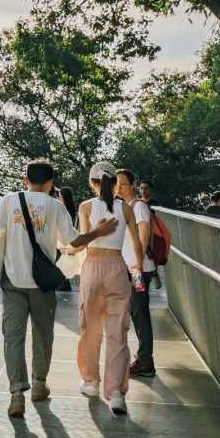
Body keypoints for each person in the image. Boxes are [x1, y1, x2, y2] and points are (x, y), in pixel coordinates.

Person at [0, 159, 118, 418]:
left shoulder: (8, 200)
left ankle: (16, 394)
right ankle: (39, 385)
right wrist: (97, 232)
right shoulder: (55, 205)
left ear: (26, 180)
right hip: (42, 282)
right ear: (51, 183)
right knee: (43, 334)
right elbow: (74, 241)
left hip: (12, 281)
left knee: (13, 337)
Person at [77, 162, 145, 416]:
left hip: (93, 267)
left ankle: (91, 382)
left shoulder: (85, 207)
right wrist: (137, 272)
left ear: (92, 182)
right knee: (118, 331)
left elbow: (84, 240)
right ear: (116, 184)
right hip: (117, 267)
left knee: (91, 328)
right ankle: (116, 393)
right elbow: (137, 246)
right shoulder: (126, 209)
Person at [118, 168, 156, 378]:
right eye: (117, 183)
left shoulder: (138, 207)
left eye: (123, 183)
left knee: (140, 312)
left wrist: (138, 266)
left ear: (133, 184)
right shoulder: (124, 207)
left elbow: (143, 238)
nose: (119, 187)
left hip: (137, 269)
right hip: (131, 267)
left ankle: (145, 361)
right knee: (136, 311)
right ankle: (144, 359)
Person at [138, 178, 164, 290]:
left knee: (150, 256)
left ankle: (153, 276)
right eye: (141, 188)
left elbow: (160, 220)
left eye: (146, 188)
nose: (143, 190)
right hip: (138, 235)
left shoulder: (155, 204)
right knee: (137, 259)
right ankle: (140, 285)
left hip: (152, 235)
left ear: (150, 190)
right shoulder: (137, 203)